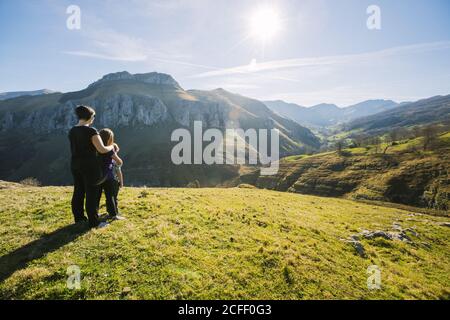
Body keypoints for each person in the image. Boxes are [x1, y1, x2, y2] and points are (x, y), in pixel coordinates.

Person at [68, 105, 114, 228]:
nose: (94, 118)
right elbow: (102, 149)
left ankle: (79, 218)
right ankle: (94, 222)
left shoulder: (72, 130)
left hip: (75, 164)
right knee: (91, 193)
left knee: (78, 191)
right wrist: (112, 146)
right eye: (93, 116)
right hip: (90, 166)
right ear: (89, 117)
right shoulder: (91, 131)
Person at [97, 128, 125, 220]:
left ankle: (94, 214)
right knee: (110, 196)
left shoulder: (97, 148)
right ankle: (113, 214)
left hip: (97, 175)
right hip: (108, 176)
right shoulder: (109, 150)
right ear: (110, 139)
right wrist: (115, 153)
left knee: (96, 196)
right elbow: (119, 162)